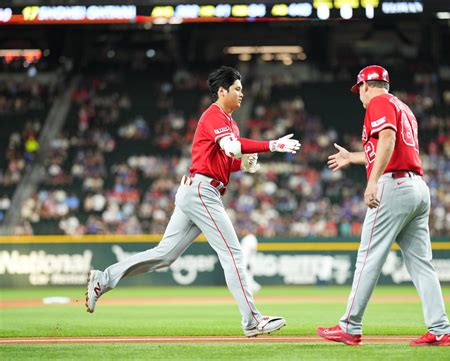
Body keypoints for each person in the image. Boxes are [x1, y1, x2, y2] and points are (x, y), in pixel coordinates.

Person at [85, 66, 301, 337]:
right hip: (202, 190)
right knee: (233, 254)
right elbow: (232, 148)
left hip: (197, 189)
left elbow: (224, 159)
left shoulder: (229, 122)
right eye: (237, 89)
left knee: (165, 255)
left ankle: (102, 279)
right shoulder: (213, 115)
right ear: (222, 92)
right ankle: (253, 321)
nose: (241, 93)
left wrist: (242, 166)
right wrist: (271, 145)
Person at [317, 65, 450, 346]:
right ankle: (441, 329)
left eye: (360, 90)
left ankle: (350, 326)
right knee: (421, 264)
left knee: (368, 256)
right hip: (416, 187)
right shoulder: (401, 106)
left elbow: (388, 140)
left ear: (367, 86)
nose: (360, 96)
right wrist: (354, 158)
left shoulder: (378, 101)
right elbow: (390, 148)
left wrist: (373, 181)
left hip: (393, 187)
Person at [240, 230, 262, 295]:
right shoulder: (247, 238)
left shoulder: (251, 237)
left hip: (248, 259)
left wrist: (248, 261)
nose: (243, 231)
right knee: (246, 275)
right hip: (246, 259)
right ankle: (253, 288)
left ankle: (254, 287)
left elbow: (252, 249)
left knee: (247, 275)